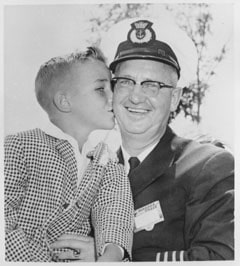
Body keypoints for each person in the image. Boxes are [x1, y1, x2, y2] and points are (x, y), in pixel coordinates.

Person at [52, 18, 234, 261]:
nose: (136, 97)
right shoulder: (91, 173)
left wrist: (111, 258)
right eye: (125, 82)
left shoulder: (207, 166)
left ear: (174, 98)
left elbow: (219, 258)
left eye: (151, 85)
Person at [4, 47, 134, 262]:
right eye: (101, 89)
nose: (114, 97)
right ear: (65, 102)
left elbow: (115, 211)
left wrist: (111, 255)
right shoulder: (18, 146)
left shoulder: (106, 161)